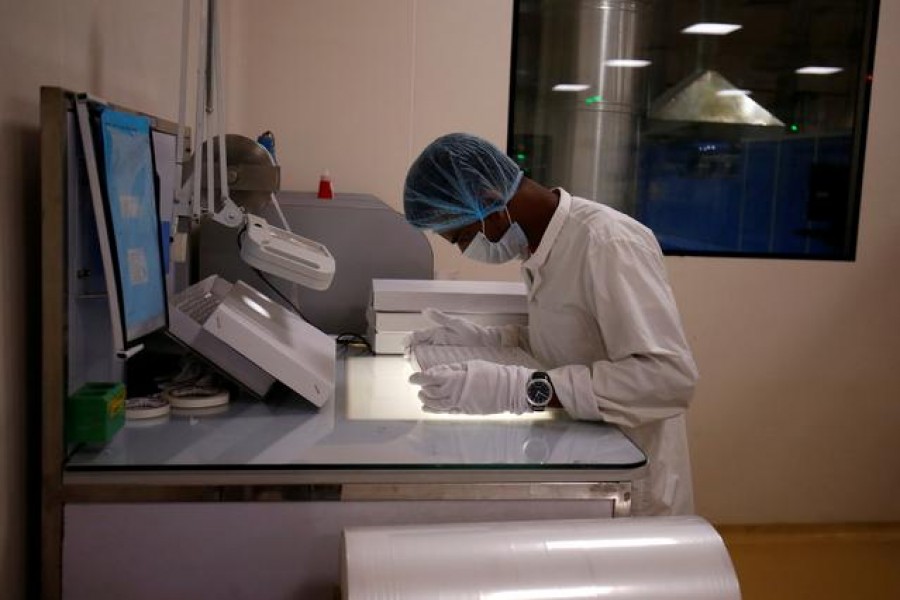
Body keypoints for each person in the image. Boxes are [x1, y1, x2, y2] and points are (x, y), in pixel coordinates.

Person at [402, 132, 700, 516]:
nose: (465, 251)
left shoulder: (607, 242)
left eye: (460, 237)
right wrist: (488, 339)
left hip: (636, 479)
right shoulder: (540, 246)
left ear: (492, 203)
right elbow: (571, 341)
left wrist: (525, 389)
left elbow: (670, 378)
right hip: (590, 460)